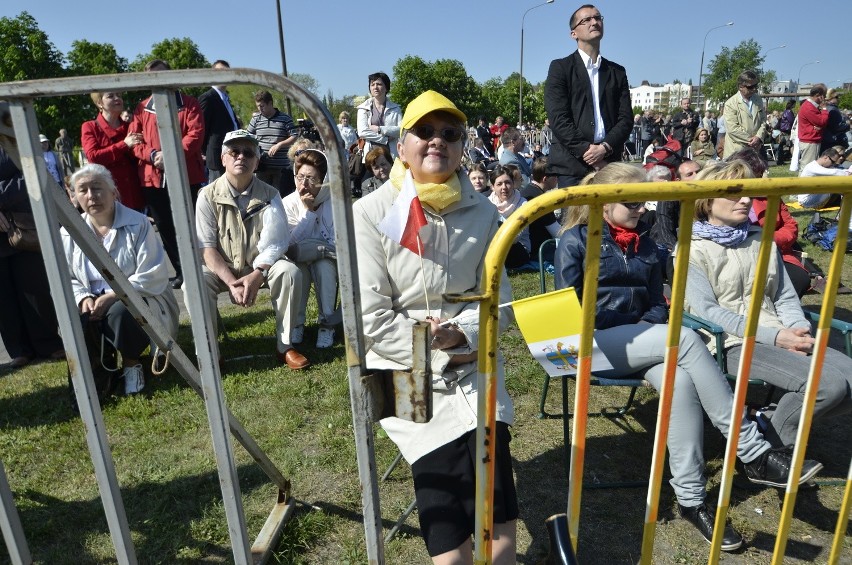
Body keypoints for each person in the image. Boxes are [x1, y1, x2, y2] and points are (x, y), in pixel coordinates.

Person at [556, 161, 823, 551]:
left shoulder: (646, 243)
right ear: (603, 203)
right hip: (590, 342)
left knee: (678, 381)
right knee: (684, 339)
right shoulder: (576, 239)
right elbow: (571, 309)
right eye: (631, 202)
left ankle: (691, 500)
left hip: (645, 338)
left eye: (644, 202)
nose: (641, 209)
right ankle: (749, 448)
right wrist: (635, 326)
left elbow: (656, 304)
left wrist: (646, 325)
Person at [352, 90, 517, 563]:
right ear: (401, 145)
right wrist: (440, 349)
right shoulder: (370, 213)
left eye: (449, 133)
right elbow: (370, 321)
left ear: (463, 145)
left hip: (473, 363)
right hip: (401, 369)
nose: (436, 141)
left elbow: (501, 307)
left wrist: (462, 335)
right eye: (424, 131)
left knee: (494, 496)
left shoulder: (487, 214)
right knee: (443, 480)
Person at [683, 159, 852, 451]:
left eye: (748, 191)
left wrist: (797, 330)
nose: (746, 199)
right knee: (829, 386)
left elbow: (784, 295)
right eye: (735, 193)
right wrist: (776, 337)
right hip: (730, 343)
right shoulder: (690, 249)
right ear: (708, 201)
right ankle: (771, 454)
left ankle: (765, 423)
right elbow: (709, 312)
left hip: (779, 331)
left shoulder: (761, 240)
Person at [192, 129, 308, 370]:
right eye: (234, 152)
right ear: (223, 158)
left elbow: (277, 242)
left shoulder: (271, 194)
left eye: (248, 153)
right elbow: (207, 248)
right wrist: (231, 282)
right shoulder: (206, 196)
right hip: (222, 269)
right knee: (193, 283)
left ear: (256, 161)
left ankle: (285, 346)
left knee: (290, 272)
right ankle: (209, 352)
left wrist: (257, 275)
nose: (240, 157)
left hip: (259, 268)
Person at [63, 164, 179, 394]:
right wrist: (83, 296)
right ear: (73, 196)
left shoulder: (139, 223)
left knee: (121, 312)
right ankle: (97, 374)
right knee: (73, 316)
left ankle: (131, 363)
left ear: (113, 191)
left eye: (97, 188)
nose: (91, 196)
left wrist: (113, 295)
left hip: (140, 296)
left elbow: (153, 274)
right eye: (82, 190)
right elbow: (67, 277)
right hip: (93, 299)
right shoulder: (68, 233)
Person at [129, 59, 206, 290]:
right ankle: (182, 270)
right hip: (153, 178)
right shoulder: (142, 108)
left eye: (162, 75)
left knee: (192, 223)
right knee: (164, 225)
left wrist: (171, 154)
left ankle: (200, 268)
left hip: (186, 175)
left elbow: (195, 134)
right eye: (154, 76)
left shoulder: (189, 104)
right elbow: (134, 140)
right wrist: (153, 156)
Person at [544, 4, 633, 188]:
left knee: (608, 217)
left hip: (608, 163)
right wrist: (588, 151)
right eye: (586, 20)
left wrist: (605, 148)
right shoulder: (560, 68)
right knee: (575, 217)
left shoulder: (617, 72)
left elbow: (625, 119)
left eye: (598, 17)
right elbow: (559, 118)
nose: (594, 22)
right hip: (572, 166)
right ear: (573, 33)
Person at [0, 144, 64, 369]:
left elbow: (30, 175)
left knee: (34, 288)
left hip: (23, 226)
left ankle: (48, 343)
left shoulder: (13, 139)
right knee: (3, 297)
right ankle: (19, 350)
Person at [282, 148, 341, 349]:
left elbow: (337, 242)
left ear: (324, 180)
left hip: (329, 259)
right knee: (298, 269)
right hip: (298, 258)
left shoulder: (335, 203)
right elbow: (289, 243)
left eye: (311, 179)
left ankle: (327, 325)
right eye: (300, 177)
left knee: (324, 267)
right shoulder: (288, 203)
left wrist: (317, 250)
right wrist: (308, 213)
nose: (304, 184)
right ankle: (297, 323)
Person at [81, 91, 145, 211]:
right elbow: (93, 157)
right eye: (111, 96)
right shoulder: (90, 127)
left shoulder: (129, 126)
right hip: (108, 196)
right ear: (99, 103)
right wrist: (124, 144)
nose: (117, 99)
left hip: (136, 195)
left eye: (119, 95)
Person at [247, 90, 298, 197]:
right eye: (258, 106)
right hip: (262, 166)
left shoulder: (285, 118)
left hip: (281, 168)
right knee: (262, 198)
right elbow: (248, 136)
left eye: (262, 106)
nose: (260, 109)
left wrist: (280, 144)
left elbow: (294, 135)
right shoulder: (256, 118)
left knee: (280, 198)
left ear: (270, 103)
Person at [199, 60, 240, 183]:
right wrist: (206, 152)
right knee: (218, 195)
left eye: (227, 72)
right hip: (217, 158)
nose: (224, 74)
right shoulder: (207, 98)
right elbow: (202, 130)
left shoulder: (226, 99)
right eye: (220, 71)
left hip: (231, 154)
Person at [488, 165, 531, 269]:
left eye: (507, 183)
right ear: (493, 187)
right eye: (499, 184)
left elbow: (516, 236)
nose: (504, 187)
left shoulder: (523, 203)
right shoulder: (488, 203)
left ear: (513, 184)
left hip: (517, 248)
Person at [520, 158, 560, 262]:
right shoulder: (541, 200)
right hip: (540, 250)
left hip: (529, 246)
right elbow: (558, 233)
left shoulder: (527, 190)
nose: (557, 178)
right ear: (545, 179)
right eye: (555, 176)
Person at [356, 72, 402, 162]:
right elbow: (362, 132)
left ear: (386, 87)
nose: (375, 87)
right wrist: (385, 139)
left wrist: (379, 129)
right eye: (372, 84)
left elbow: (401, 130)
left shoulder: (396, 108)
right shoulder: (363, 108)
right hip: (371, 156)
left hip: (391, 156)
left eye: (379, 84)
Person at [722, 71, 767, 158]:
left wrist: (758, 137)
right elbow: (732, 129)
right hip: (737, 151)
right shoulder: (730, 104)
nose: (754, 89)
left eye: (755, 86)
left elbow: (763, 121)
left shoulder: (758, 100)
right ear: (740, 87)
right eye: (751, 87)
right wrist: (751, 140)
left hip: (755, 149)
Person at [797, 83, 829, 170]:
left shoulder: (811, 106)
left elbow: (820, 124)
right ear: (818, 96)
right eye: (824, 96)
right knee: (807, 168)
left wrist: (820, 127)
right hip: (810, 141)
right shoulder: (809, 107)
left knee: (810, 167)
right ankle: (803, 184)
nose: (825, 99)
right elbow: (822, 122)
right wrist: (825, 109)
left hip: (811, 140)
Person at [821, 88, 850, 153]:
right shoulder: (832, 110)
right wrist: (848, 125)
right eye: (836, 97)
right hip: (834, 141)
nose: (838, 98)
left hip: (828, 140)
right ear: (830, 98)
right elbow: (836, 127)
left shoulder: (827, 108)